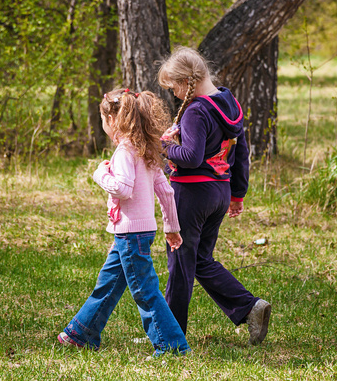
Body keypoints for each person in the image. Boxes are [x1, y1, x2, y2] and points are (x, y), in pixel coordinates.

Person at [57, 88, 190, 356]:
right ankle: (80, 333)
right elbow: (166, 191)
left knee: (146, 292)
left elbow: (123, 188)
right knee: (108, 284)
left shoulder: (125, 151)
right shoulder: (147, 151)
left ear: (113, 121)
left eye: (103, 120)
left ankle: (173, 346)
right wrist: (172, 228)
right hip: (136, 233)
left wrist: (100, 174)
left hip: (131, 234)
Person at [157, 46, 271, 345]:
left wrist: (165, 147)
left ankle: (170, 337)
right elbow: (242, 152)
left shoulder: (196, 110)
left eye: (175, 88)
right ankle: (249, 306)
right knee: (200, 259)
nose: (177, 95)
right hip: (219, 191)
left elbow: (191, 157)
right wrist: (237, 193)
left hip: (192, 193)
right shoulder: (228, 102)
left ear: (187, 82)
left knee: (181, 264)